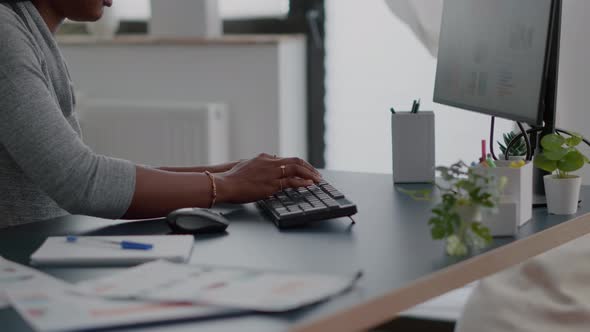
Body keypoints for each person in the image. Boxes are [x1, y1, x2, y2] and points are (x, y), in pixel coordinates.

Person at [0, 0, 321, 228]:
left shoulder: (29, 34)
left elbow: (80, 171)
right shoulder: (6, 35)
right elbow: (80, 181)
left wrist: (230, 173)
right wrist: (226, 185)